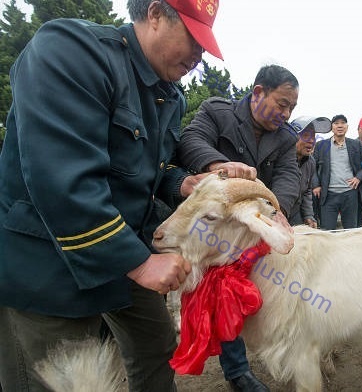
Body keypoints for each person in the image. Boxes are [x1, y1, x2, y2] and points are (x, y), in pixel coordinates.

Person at [0, 0, 225, 390]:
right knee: (63, 379)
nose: (198, 55)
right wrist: (140, 264)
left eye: (205, 45)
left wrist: (182, 183)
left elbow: (146, 171)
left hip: (124, 247)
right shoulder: (72, 51)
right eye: (192, 37)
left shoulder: (169, 97)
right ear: (155, 13)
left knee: (156, 346)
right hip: (51, 260)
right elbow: (61, 177)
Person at [179, 64, 300, 391]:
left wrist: (279, 210)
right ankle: (237, 370)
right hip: (215, 225)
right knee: (223, 290)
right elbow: (189, 139)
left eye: (292, 107)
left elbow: (290, 176)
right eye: (282, 103)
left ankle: (272, 344)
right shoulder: (218, 111)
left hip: (255, 224)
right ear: (258, 92)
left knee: (268, 285)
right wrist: (219, 167)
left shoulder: (287, 139)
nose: (286, 113)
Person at [312, 114, 362, 230]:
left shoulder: (355, 144)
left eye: (343, 123)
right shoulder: (322, 145)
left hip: (350, 194)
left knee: (350, 231)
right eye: (336, 123)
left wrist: (359, 177)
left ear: (347, 127)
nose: (339, 126)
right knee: (327, 231)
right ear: (331, 127)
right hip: (328, 194)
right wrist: (316, 185)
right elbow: (312, 167)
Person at [289, 116, 332, 228]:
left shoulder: (310, 162)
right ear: (293, 137)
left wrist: (308, 215)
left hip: (295, 213)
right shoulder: (279, 158)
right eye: (306, 135)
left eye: (313, 136)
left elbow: (307, 191)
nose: (312, 141)